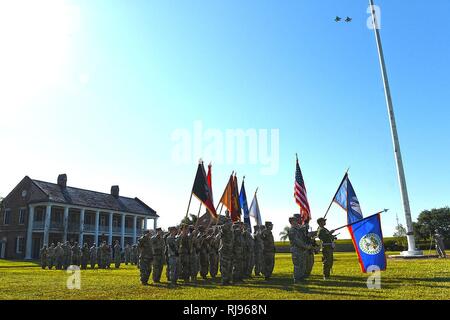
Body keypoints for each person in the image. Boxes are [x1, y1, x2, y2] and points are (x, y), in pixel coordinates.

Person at [288, 216, 311, 283]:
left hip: (301, 250)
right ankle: (297, 279)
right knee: (297, 265)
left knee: (302, 264)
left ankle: (301, 278)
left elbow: (304, 232)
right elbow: (297, 241)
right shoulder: (292, 230)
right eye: (295, 220)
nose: (297, 221)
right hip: (296, 250)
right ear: (292, 222)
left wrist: (306, 224)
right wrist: (306, 246)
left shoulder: (298, 229)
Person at [218, 215, 233, 285]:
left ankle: (226, 280)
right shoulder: (227, 228)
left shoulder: (228, 229)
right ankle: (226, 280)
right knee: (225, 265)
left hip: (226, 249)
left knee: (227, 266)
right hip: (226, 249)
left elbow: (223, 227)